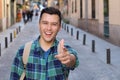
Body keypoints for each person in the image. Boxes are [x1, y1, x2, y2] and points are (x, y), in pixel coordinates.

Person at [10, 7, 79, 80]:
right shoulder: (23, 52)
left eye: (54, 24)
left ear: (59, 27)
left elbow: (73, 60)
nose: (49, 28)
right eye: (45, 23)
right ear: (39, 24)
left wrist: (70, 59)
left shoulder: (64, 51)